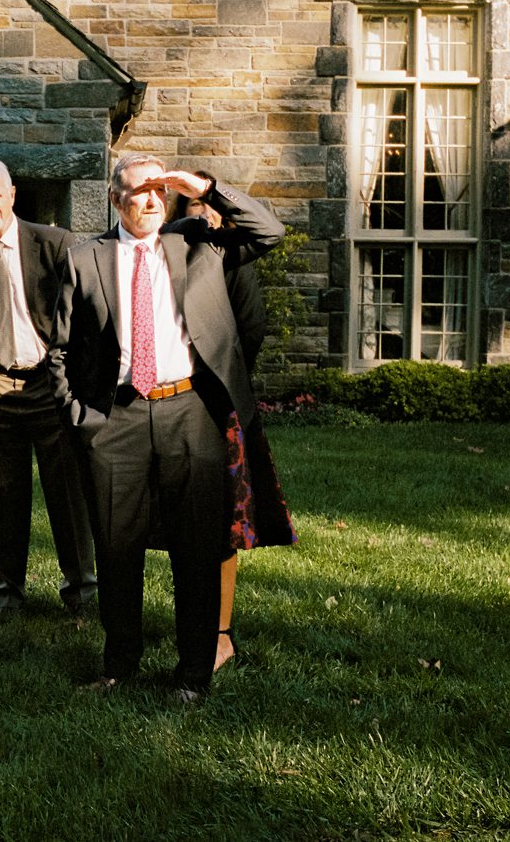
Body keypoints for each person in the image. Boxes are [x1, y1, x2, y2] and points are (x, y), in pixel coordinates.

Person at [51, 154, 283, 699]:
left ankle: (193, 677)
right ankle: (119, 666)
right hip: (116, 419)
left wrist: (205, 188)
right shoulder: (85, 259)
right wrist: (80, 417)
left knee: (197, 548)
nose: (153, 200)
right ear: (116, 200)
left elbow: (268, 231)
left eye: (161, 190)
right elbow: (58, 349)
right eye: (141, 191)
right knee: (117, 548)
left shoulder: (197, 243)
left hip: (190, 412)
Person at [0, 159, 96, 618]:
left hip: (48, 384)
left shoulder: (54, 244)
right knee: (2, 493)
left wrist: (72, 381)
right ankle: (7, 594)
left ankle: (81, 591)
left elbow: (83, 317)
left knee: (66, 491)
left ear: (12, 194)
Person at [169, 175, 298, 673]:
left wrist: (222, 381)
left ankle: (221, 634)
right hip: (165, 406)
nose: (205, 215)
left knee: (223, 524)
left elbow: (252, 328)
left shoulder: (228, 255)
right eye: (194, 208)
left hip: (217, 404)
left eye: (212, 208)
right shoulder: (164, 251)